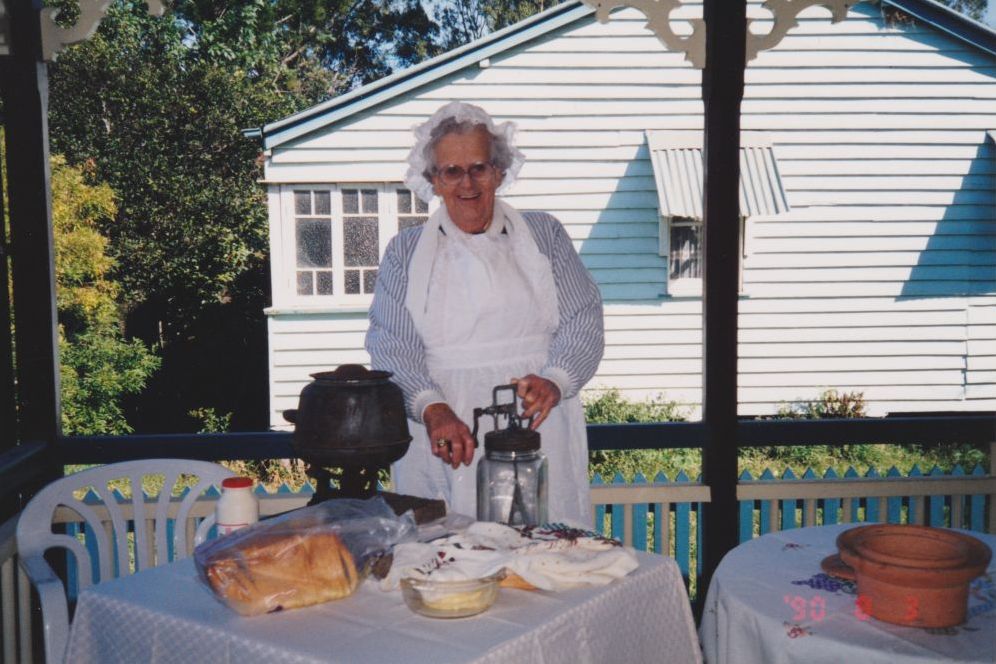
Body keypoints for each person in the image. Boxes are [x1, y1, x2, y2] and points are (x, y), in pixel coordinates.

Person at [365, 101, 604, 524]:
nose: (467, 183)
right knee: (449, 559)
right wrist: (432, 409)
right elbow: (391, 346)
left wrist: (556, 379)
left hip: (539, 423)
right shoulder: (404, 252)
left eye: (478, 168)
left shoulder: (544, 234)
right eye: (451, 172)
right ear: (433, 181)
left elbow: (583, 317)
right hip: (443, 428)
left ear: (499, 171)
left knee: (545, 557)